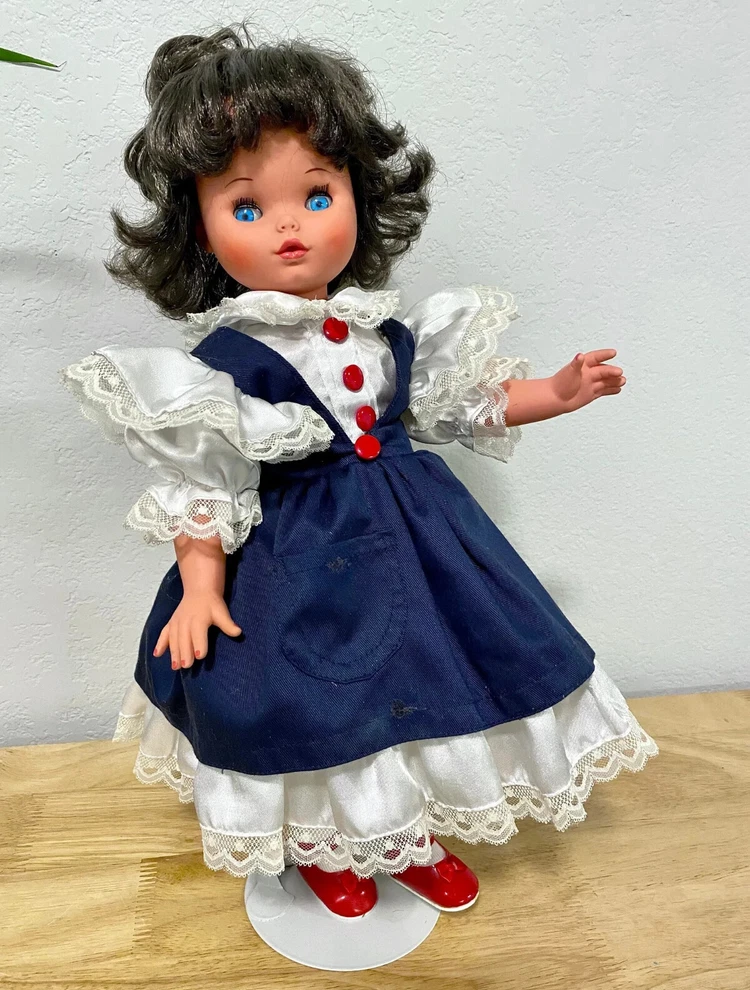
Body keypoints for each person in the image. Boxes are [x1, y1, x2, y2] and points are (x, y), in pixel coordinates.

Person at [59, 24, 658, 919]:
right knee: (313, 707)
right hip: (295, 562)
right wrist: (200, 586)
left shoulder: (389, 334)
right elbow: (208, 479)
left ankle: (409, 835)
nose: (289, 225)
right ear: (200, 230)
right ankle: (325, 847)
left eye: (316, 193)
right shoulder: (226, 364)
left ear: (360, 196)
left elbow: (450, 406)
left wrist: (557, 392)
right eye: (247, 208)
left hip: (419, 544)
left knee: (427, 687)